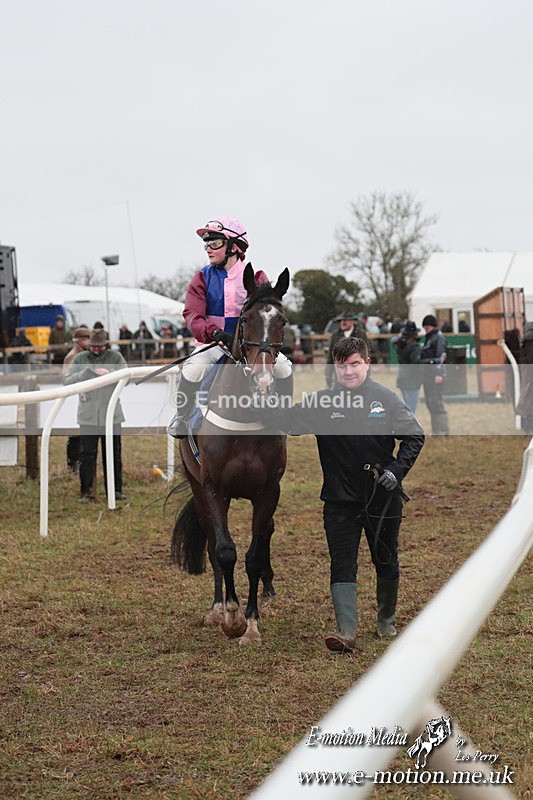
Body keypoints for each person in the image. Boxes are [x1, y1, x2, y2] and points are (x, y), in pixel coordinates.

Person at [252, 336, 424, 655]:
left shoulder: (385, 399)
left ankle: (386, 621)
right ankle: (347, 632)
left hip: (381, 498)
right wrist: (264, 395)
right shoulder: (321, 403)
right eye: (342, 366)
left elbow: (415, 436)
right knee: (341, 563)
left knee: (385, 559)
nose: (348, 372)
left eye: (355, 364)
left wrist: (396, 471)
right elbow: (287, 420)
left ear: (367, 364)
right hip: (339, 500)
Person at [167, 216, 293, 439]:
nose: (208, 249)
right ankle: (182, 416)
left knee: (284, 367)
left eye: (215, 243)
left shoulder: (256, 277)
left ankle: (284, 413)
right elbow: (192, 314)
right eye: (206, 244)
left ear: (234, 247)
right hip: (214, 343)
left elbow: (266, 312)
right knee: (193, 369)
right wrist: (213, 333)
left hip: (251, 346)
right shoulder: (201, 278)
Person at [63, 329, 127, 502]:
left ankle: (115, 490)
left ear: (106, 345)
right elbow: (66, 381)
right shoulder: (80, 359)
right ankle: (87, 492)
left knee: (113, 455)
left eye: (100, 346)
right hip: (88, 416)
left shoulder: (115, 358)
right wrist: (82, 375)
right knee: (87, 456)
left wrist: (111, 375)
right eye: (93, 346)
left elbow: (127, 377)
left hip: (111, 415)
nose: (96, 349)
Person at [62, 326, 91, 473]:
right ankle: (72, 464)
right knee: (74, 434)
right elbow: (67, 378)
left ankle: (78, 463)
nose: (88, 341)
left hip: (85, 396)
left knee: (81, 433)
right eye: (85, 338)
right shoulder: (72, 357)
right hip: (76, 396)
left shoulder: (87, 354)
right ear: (78, 340)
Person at [420, 314, 449, 435]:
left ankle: (442, 430)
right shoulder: (430, 338)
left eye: (427, 327)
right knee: (430, 402)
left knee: (436, 402)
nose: (425, 329)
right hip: (428, 375)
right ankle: (436, 430)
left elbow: (441, 357)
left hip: (435, 375)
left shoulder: (438, 338)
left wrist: (439, 374)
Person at [325, 311, 369, 388]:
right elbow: (330, 357)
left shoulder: (361, 334)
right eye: (341, 321)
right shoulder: (335, 335)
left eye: (345, 320)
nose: (343, 322)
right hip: (340, 375)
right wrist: (328, 375)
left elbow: (366, 355)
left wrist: (366, 373)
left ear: (352, 322)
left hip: (357, 374)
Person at [393, 321, 423, 413]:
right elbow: (417, 363)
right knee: (411, 409)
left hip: (403, 378)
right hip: (412, 380)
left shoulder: (400, 345)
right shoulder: (414, 347)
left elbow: (395, 341)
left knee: (406, 408)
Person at [516, 322, 533, 434]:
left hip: (527, 372)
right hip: (529, 372)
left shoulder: (527, 339)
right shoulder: (530, 339)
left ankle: (526, 424)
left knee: (527, 396)